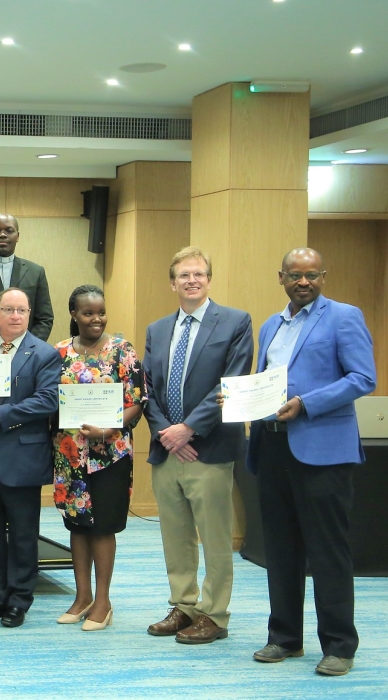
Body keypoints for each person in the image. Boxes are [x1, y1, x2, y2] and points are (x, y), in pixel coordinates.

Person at [245, 248, 375, 677]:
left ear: (323, 276)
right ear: (281, 277)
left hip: (323, 450)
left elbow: (363, 377)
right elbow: (266, 383)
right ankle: (284, 637)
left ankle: (339, 645)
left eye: (312, 275)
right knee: (280, 548)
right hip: (273, 447)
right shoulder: (271, 324)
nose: (304, 282)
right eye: (295, 275)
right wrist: (243, 401)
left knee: (327, 550)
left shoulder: (344, 317)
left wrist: (307, 403)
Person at [143, 246, 252, 645]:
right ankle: (184, 605)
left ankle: (214, 614)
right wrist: (168, 434)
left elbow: (231, 383)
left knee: (215, 537)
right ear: (172, 283)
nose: (192, 280)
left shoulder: (236, 322)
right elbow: (147, 389)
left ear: (209, 279)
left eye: (199, 274)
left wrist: (188, 429)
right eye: (184, 275)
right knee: (175, 535)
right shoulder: (157, 329)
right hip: (167, 450)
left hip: (210, 448)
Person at [0, 287, 60, 629]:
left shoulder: (44, 353)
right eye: (9, 309)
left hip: (22, 457)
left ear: (29, 314)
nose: (15, 315)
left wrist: (1, 414)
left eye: (22, 310)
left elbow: (48, 400)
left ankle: (19, 600)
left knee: (22, 533)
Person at [52, 285, 145, 631]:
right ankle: (82, 597)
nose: (96, 319)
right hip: (69, 454)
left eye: (101, 312)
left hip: (110, 455)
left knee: (103, 526)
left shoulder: (122, 350)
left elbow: (138, 400)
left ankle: (103, 602)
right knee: (77, 525)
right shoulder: (59, 352)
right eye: (88, 313)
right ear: (74, 314)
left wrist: (107, 429)